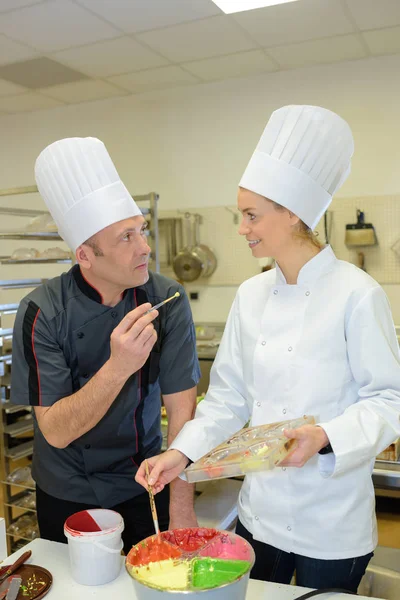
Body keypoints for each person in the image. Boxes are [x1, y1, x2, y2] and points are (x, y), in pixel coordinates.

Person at [136, 105, 400, 592]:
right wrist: (181, 453)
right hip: (260, 517)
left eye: (251, 215)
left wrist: (324, 435)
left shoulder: (357, 293)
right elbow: (229, 398)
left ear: (293, 212)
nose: (242, 227)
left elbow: (389, 400)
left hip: (332, 521)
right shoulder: (251, 295)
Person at [11, 137, 200, 554]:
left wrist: (182, 506)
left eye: (142, 231)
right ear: (85, 255)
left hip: (146, 481)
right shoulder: (42, 312)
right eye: (126, 237)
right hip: (66, 489)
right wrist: (119, 366)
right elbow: (56, 431)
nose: (145, 247)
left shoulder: (167, 300)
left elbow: (182, 411)